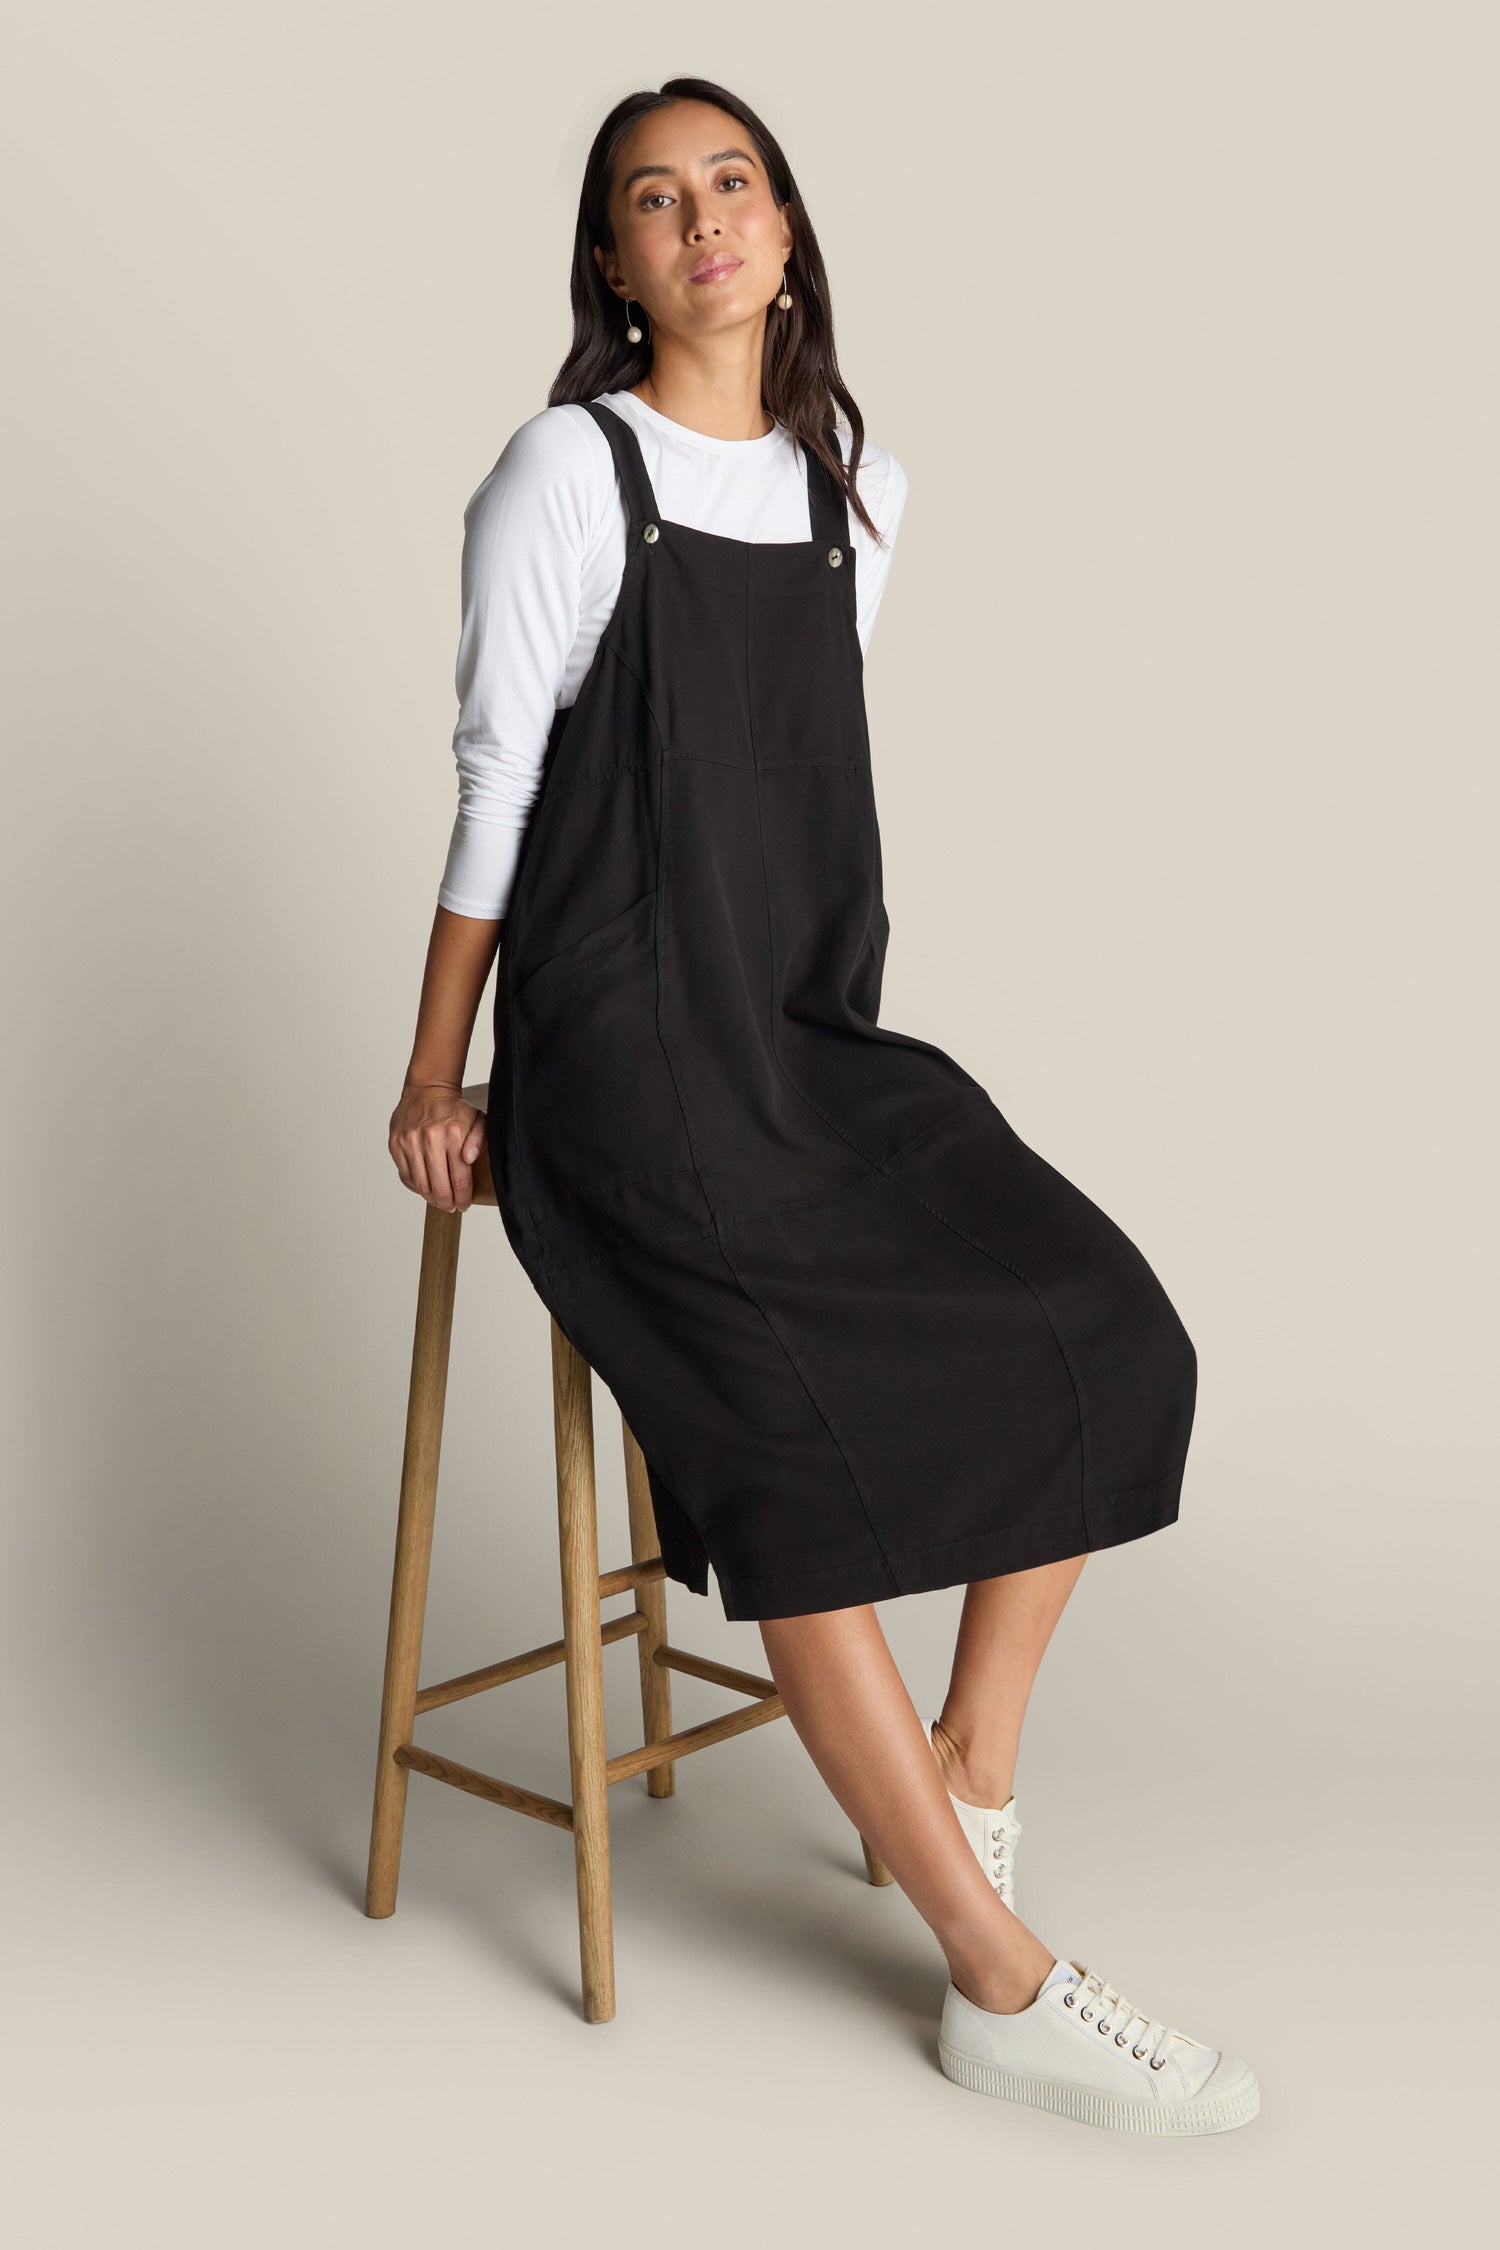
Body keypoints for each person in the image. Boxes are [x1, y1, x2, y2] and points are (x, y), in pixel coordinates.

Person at [388, 77, 1258, 2135]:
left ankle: (966, 1779)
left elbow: (798, 794)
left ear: (787, 229)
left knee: (1102, 1329)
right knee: (793, 1454)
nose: (700, 222)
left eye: (734, 183)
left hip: (797, 1037)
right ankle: (999, 1978)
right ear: (610, 264)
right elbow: (499, 790)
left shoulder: (854, 482)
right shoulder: (563, 476)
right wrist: (439, 1072)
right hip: (621, 1065)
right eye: (651, 201)